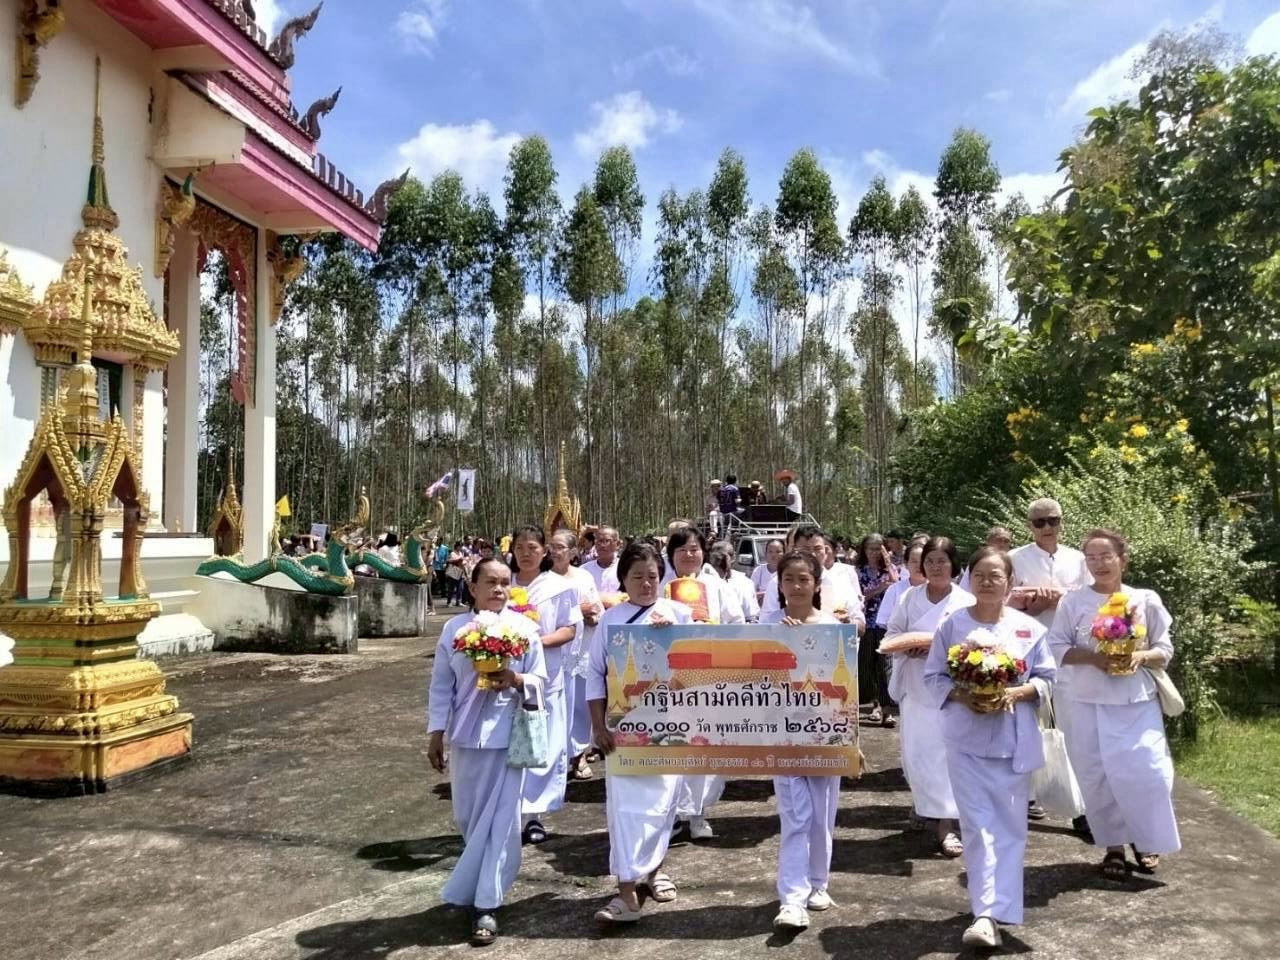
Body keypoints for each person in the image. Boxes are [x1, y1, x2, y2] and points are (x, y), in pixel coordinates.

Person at [922, 546, 1056, 950]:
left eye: (996, 575)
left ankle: (1000, 910)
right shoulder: (952, 625)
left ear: (1010, 582)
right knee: (978, 828)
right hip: (965, 741)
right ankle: (984, 914)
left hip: (1013, 742)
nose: (987, 581)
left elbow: (1049, 679)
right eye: (979, 573)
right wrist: (964, 696)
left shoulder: (1029, 629)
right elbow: (933, 677)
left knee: (1011, 828)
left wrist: (1014, 693)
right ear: (969, 578)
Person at [1046, 528, 1179, 879]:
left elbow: (1164, 650)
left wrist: (1140, 656)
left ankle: (1146, 838)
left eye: (1106, 556)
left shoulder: (1144, 599)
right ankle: (1114, 847)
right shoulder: (1072, 601)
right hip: (1085, 701)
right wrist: (1094, 658)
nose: (1099, 564)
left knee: (1148, 772)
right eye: (1091, 557)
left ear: (1123, 559)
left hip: (1135, 700)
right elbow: (1056, 646)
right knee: (1098, 776)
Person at [427, 559, 547, 946]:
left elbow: (540, 680)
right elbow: (441, 685)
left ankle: (487, 905)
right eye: (490, 583)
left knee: (501, 822)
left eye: (504, 583)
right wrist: (435, 733)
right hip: (465, 737)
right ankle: (479, 887)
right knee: (468, 816)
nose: (498, 589)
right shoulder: (454, 629)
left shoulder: (525, 629)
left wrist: (515, 680)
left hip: (507, 737)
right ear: (473, 587)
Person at [588, 542, 694, 924]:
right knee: (625, 810)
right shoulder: (611, 620)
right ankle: (625, 891)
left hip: (670, 727)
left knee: (663, 805)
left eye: (652, 576)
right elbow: (594, 676)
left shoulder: (678, 613)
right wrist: (598, 726)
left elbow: (696, 668)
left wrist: (675, 635)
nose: (646, 584)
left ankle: (656, 870)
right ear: (623, 580)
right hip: (623, 732)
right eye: (637, 577)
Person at [760, 550, 843, 932]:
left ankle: (818, 883)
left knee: (822, 813)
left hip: (825, 733)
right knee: (795, 816)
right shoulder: (766, 624)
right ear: (778, 584)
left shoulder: (831, 626)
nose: (796, 586)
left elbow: (844, 687)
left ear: (816, 585)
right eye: (789, 579)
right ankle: (791, 899)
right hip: (782, 732)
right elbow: (753, 678)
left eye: (804, 579)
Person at [883, 537, 975, 857]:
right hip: (915, 685)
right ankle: (923, 802)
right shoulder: (910, 596)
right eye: (930, 561)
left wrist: (939, 650)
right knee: (918, 756)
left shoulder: (965, 601)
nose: (936, 567)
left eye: (942, 561)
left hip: (952, 691)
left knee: (947, 757)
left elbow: (976, 645)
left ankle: (946, 825)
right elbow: (891, 634)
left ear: (954, 565)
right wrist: (908, 646)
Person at [1008, 498, 1091, 827]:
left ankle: (1081, 807)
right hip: (1027, 650)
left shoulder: (1079, 559)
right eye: (1039, 522)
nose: (1047, 528)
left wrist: (1063, 598)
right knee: (1029, 726)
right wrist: (1030, 604)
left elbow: (1090, 601)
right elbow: (1001, 606)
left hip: (1070, 651)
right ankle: (1028, 796)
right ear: (1029, 525)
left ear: (1061, 522)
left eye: (1052, 521)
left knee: (1072, 727)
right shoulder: (1016, 558)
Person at [508, 525, 584, 845]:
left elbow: (570, 629)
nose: (526, 553)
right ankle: (508, 814)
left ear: (544, 551)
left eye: (533, 547)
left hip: (545, 677)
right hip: (505, 680)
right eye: (520, 547)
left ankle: (533, 816)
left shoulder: (558, 587)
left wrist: (537, 643)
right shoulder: (503, 584)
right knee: (507, 750)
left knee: (541, 747)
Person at [662, 527, 726, 839]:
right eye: (682, 550)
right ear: (671, 555)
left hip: (709, 675)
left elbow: (736, 624)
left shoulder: (715, 587)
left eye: (695, 549)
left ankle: (699, 813)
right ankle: (672, 813)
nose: (690, 555)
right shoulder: (658, 586)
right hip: (670, 679)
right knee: (674, 744)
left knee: (705, 743)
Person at [549, 529, 603, 782]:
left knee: (580, 706)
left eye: (560, 547)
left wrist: (588, 614)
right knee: (555, 708)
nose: (554, 551)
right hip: (552, 652)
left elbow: (596, 609)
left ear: (572, 552)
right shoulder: (543, 578)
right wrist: (576, 611)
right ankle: (555, 758)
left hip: (582, 651)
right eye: (552, 546)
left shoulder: (583, 577)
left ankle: (579, 755)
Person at [857, 533, 899, 727]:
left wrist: (889, 563)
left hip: (885, 624)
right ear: (864, 550)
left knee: (886, 667)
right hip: (866, 623)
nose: (874, 553)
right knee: (868, 666)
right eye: (871, 548)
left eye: (878, 548)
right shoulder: (858, 571)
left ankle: (888, 709)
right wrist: (880, 588)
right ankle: (875, 705)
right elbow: (860, 597)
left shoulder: (889, 570)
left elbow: (897, 587)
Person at [876, 536, 928, 631]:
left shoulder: (938, 589)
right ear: (906, 564)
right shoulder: (895, 589)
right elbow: (884, 620)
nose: (919, 566)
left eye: (923, 561)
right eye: (914, 561)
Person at [708, 540, 759, 624]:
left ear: (733, 558)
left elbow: (752, 617)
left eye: (722, 557)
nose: (719, 561)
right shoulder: (704, 581)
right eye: (715, 558)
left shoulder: (745, 583)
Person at [959, 527, 1013, 591]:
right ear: (988, 541)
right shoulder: (978, 562)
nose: (1002, 544)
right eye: (999, 540)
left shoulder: (1012, 563)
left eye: (1006, 541)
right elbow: (964, 588)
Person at [581, 526, 621, 595]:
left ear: (617, 544)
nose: (602, 545)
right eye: (598, 541)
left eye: (606, 541)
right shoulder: (584, 570)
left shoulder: (626, 569)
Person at [753, 538, 785, 605]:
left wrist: (764, 594)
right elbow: (751, 594)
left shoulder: (787, 571)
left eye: (778, 551)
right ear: (766, 553)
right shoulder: (759, 571)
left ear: (784, 553)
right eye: (770, 551)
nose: (773, 555)